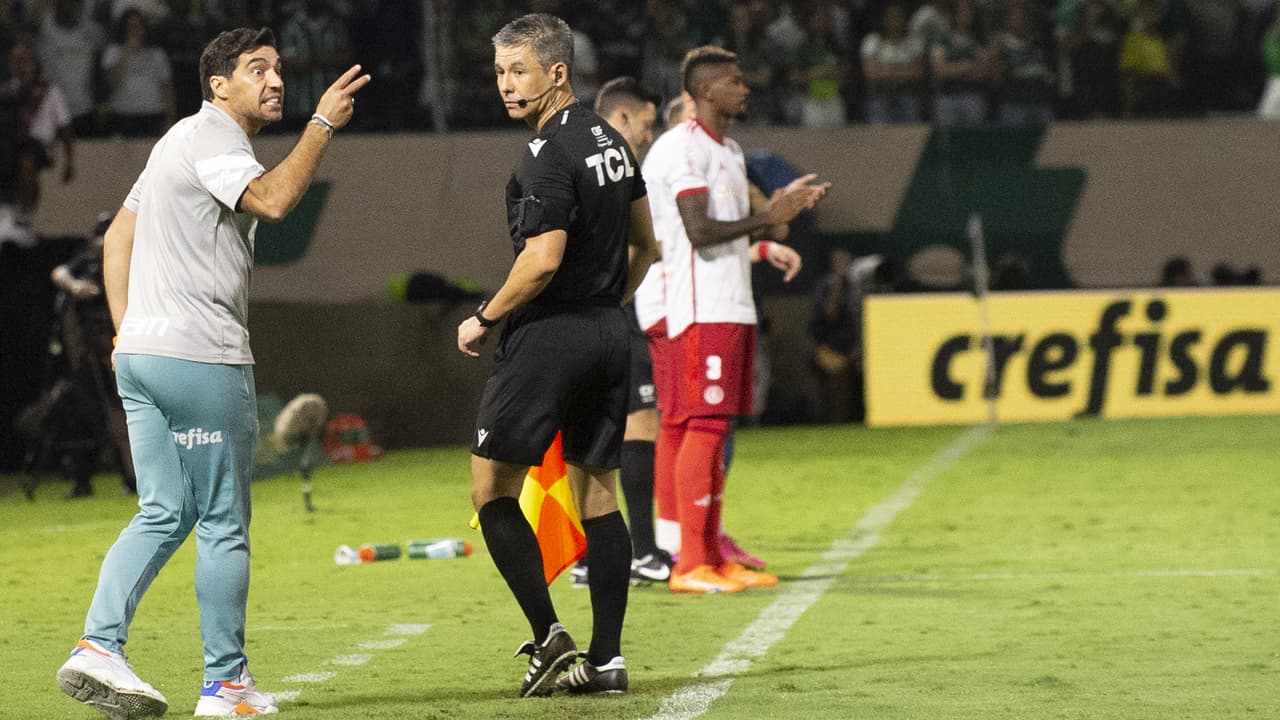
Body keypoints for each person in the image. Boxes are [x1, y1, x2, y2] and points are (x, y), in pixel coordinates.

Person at [56, 26, 369, 719]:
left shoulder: (176, 140)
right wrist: (321, 125)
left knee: (163, 510)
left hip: (142, 357)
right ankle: (225, 687)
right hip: (202, 356)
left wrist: (123, 327)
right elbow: (276, 201)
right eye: (258, 69)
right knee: (222, 522)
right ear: (219, 85)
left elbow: (118, 237)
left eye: (279, 68)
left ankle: (98, 645)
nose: (276, 79)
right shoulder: (217, 138)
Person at [456, 13, 659, 697]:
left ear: (558, 73)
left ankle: (548, 637)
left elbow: (541, 261)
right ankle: (608, 660)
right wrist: (608, 303)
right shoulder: (613, 142)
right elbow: (646, 245)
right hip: (609, 331)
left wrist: (485, 317)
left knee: (492, 488)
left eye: (519, 71)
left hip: (550, 337)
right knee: (597, 494)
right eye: (500, 72)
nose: (506, 85)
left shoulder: (546, 152)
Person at [643, 45, 829, 594]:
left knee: (694, 425)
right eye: (734, 81)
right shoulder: (682, 149)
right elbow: (697, 231)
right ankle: (692, 562)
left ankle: (703, 553)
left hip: (728, 301)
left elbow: (728, 228)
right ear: (705, 91)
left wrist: (771, 226)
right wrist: (768, 218)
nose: (745, 88)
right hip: (700, 307)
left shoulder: (728, 149)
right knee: (704, 424)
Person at [569, 75, 672, 590]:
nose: (649, 136)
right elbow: (643, 245)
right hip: (610, 308)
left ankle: (593, 554)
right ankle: (644, 550)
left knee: (595, 428)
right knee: (638, 423)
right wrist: (619, 298)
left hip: (582, 310)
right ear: (624, 116)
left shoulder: (573, 150)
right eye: (647, 125)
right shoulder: (613, 162)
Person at [48, 212, 138, 498]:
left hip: (119, 348)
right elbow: (59, 272)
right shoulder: (86, 261)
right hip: (90, 353)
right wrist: (77, 287)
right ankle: (82, 479)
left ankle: (134, 478)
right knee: (85, 414)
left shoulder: (125, 264)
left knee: (125, 415)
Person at [0, 39, 74, 246]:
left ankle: (26, 217)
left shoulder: (50, 91)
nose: (21, 66)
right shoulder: (7, 91)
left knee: (26, 158)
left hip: (39, 145)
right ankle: (8, 212)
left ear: (35, 64)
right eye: (17, 61)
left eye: (25, 61)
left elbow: (65, 127)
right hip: (9, 144)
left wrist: (70, 161)